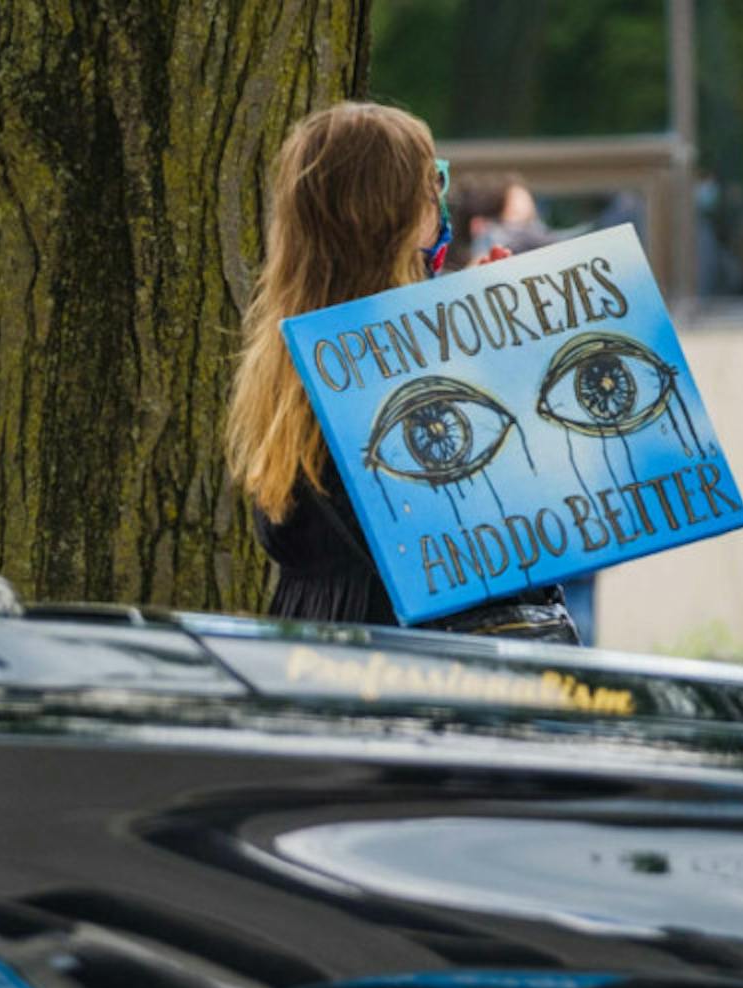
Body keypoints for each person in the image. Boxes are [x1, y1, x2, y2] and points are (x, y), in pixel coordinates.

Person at [226, 102, 575, 642]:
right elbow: (505, 515)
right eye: (432, 182)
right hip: (426, 655)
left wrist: (472, 326)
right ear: (397, 215)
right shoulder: (408, 374)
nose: (440, 199)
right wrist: (499, 363)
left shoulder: (285, 363)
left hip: (315, 641)